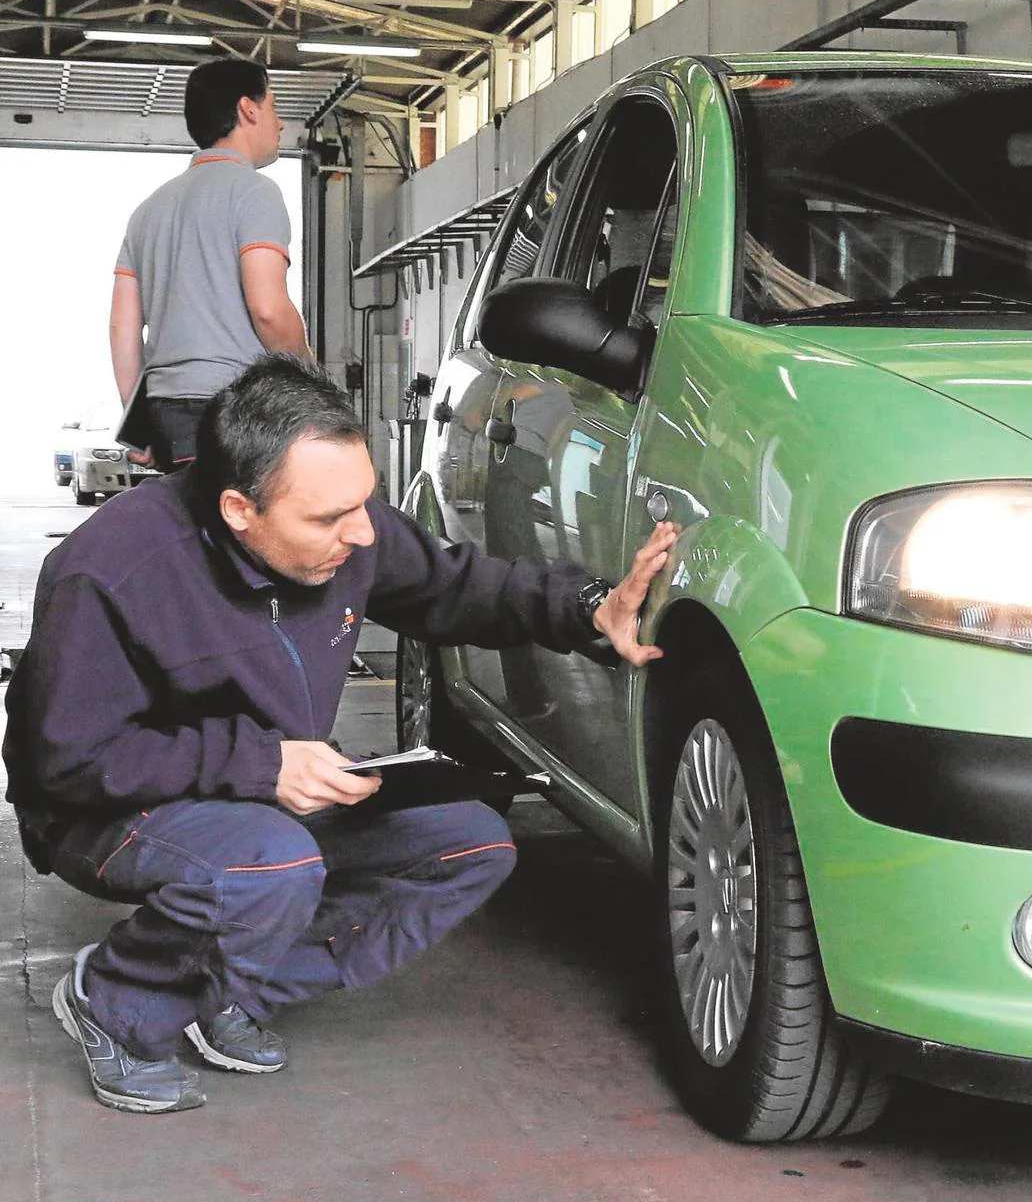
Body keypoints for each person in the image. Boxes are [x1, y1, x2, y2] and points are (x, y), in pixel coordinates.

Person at [3, 354, 678, 1115]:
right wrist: (262, 763)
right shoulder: (110, 572)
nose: (361, 533)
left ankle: (225, 984)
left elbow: (459, 586)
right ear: (238, 509)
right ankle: (117, 1001)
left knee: (471, 845)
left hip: (264, 792)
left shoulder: (350, 525)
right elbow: (68, 759)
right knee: (273, 863)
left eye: (365, 503)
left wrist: (589, 607)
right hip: (105, 809)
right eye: (329, 518)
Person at [109, 58, 311, 473]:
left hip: (166, 413)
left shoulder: (149, 210)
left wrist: (138, 420)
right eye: (274, 107)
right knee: (243, 534)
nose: (281, 123)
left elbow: (122, 326)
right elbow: (268, 310)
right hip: (235, 410)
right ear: (248, 109)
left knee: (188, 533)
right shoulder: (256, 193)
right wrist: (309, 380)